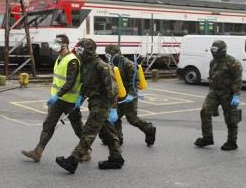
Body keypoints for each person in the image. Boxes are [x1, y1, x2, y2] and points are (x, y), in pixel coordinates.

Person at [55, 38, 124, 174]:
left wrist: (113, 109)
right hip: (93, 102)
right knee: (107, 132)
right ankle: (116, 158)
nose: (78, 52)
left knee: (88, 132)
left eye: (81, 50)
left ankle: (73, 161)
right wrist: (81, 96)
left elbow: (113, 89)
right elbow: (85, 84)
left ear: (88, 50)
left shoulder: (101, 66)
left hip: (102, 104)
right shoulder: (86, 65)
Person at [21, 34, 89, 162]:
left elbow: (70, 82)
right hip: (58, 100)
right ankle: (37, 151)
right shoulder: (59, 57)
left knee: (78, 127)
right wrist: (56, 96)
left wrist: (57, 95)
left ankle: (86, 151)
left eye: (57, 42)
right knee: (48, 125)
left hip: (70, 101)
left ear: (65, 44)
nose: (54, 44)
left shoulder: (72, 60)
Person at [103, 44, 156, 146]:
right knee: (116, 117)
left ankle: (149, 129)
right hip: (118, 94)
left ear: (114, 53)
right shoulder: (111, 63)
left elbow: (135, 80)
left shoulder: (127, 63)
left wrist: (131, 94)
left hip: (129, 94)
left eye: (108, 53)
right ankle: (117, 138)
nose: (107, 56)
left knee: (132, 119)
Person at [194, 40, 243, 151]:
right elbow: (212, 78)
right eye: (212, 49)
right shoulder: (213, 62)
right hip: (214, 92)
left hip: (228, 94)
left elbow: (238, 80)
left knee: (231, 118)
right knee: (205, 112)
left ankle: (232, 142)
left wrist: (236, 95)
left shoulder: (233, 63)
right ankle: (207, 138)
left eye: (215, 50)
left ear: (222, 50)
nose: (213, 51)